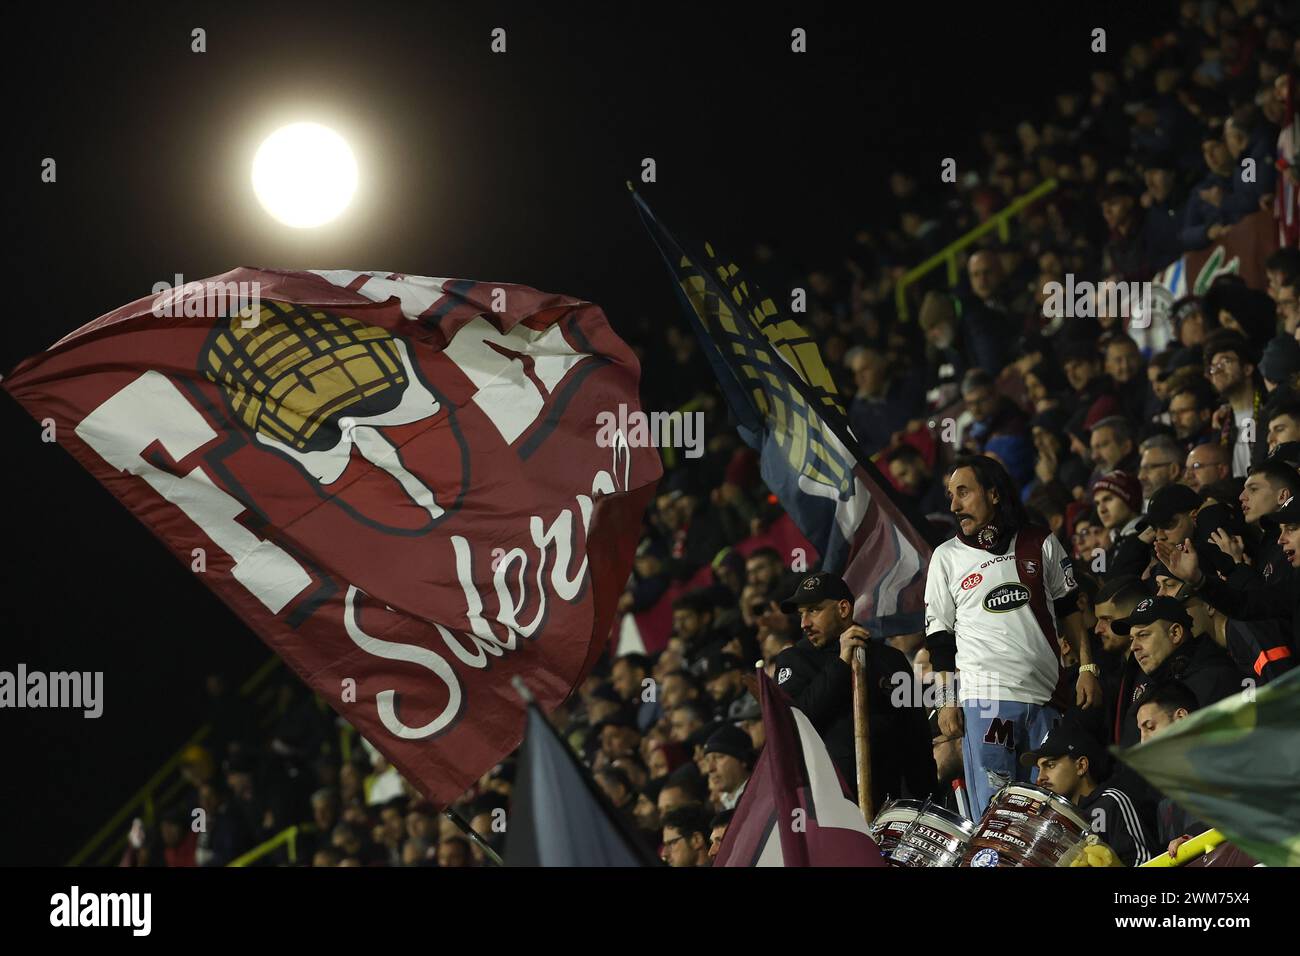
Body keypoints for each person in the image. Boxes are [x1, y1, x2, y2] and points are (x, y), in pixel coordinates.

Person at [924, 455, 1102, 817]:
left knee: (1050, 813)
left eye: (963, 492)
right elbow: (940, 639)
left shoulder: (1040, 541)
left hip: (1048, 698)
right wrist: (946, 700)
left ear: (993, 494)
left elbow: (1070, 610)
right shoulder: (946, 557)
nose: (954, 505)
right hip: (985, 700)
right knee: (998, 816)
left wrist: (1088, 667)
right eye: (950, 496)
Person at [774, 571, 940, 807]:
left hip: (889, 806)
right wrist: (842, 662)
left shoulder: (892, 660)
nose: (804, 624)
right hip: (826, 808)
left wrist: (926, 802)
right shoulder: (793, 660)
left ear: (843, 609)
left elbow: (917, 739)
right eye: (802, 614)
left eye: (813, 610)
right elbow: (797, 722)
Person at [1023, 722, 1156, 866]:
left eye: (1050, 765)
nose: (1039, 778)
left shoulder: (1111, 802)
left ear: (1081, 766)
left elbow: (1145, 861)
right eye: (1038, 769)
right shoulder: (1053, 820)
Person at [1132, 680, 1210, 857]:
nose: (1143, 741)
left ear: (1181, 717)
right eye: (1141, 731)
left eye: (1150, 727)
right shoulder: (1165, 801)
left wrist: (1196, 840)